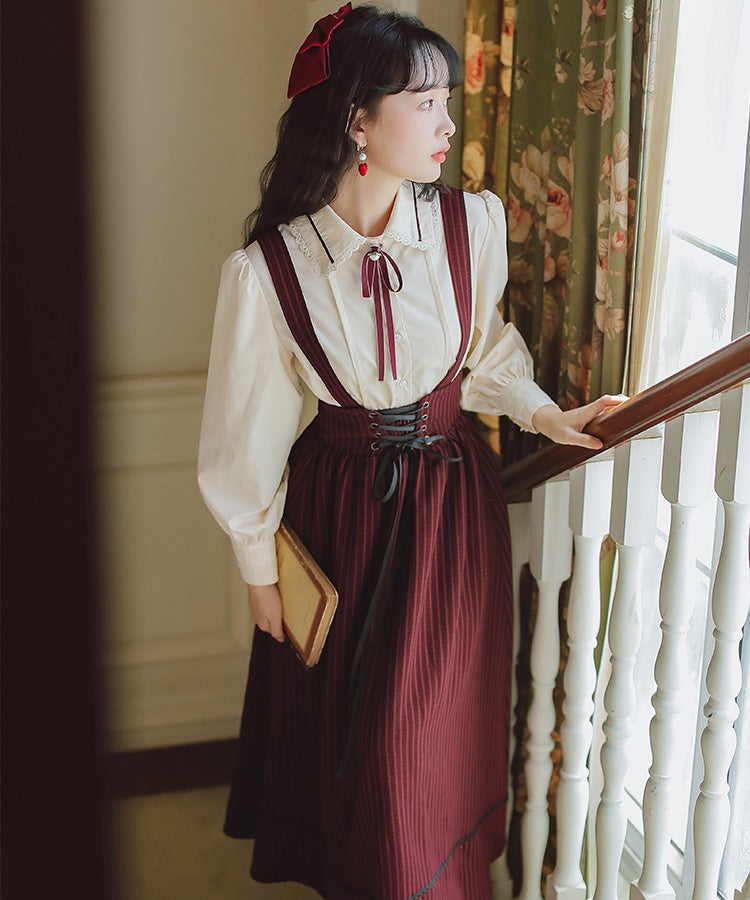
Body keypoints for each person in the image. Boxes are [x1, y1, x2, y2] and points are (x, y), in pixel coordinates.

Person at [198, 4, 619, 897]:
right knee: (362, 749)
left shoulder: (471, 226)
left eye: (448, 100)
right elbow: (247, 431)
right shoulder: (272, 269)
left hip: (451, 508)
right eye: (426, 102)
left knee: (424, 742)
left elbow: (485, 357)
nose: (448, 123)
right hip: (340, 513)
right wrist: (259, 571)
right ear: (358, 120)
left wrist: (550, 417)